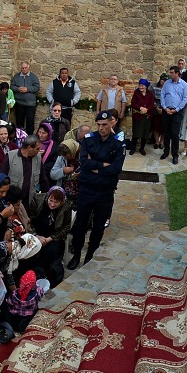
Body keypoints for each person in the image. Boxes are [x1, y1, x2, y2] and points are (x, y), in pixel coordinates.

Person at [67, 112, 126, 270]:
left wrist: (96, 166)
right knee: (80, 224)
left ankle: (90, 255)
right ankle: (77, 254)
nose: (101, 128)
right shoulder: (89, 139)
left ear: (111, 124)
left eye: (104, 125)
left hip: (105, 192)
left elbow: (116, 168)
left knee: (99, 227)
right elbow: (85, 163)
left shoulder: (118, 143)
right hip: (87, 189)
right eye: (98, 124)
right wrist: (103, 165)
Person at [160, 66, 187, 164]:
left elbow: (185, 99)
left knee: (175, 133)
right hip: (166, 110)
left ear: (177, 73)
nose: (170, 74)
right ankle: (166, 151)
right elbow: (162, 95)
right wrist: (165, 107)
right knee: (166, 132)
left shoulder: (184, 84)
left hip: (177, 112)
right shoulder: (167, 83)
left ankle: (175, 155)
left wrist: (176, 110)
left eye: (172, 73)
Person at [11, 62, 40, 134]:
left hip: (30, 104)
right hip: (19, 103)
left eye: (25, 68)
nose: (24, 69)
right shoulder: (16, 77)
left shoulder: (33, 77)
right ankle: (20, 136)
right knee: (19, 121)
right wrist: (18, 89)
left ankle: (29, 137)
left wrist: (28, 89)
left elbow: (37, 87)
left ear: (28, 68)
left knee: (30, 121)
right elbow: (12, 86)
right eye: (22, 68)